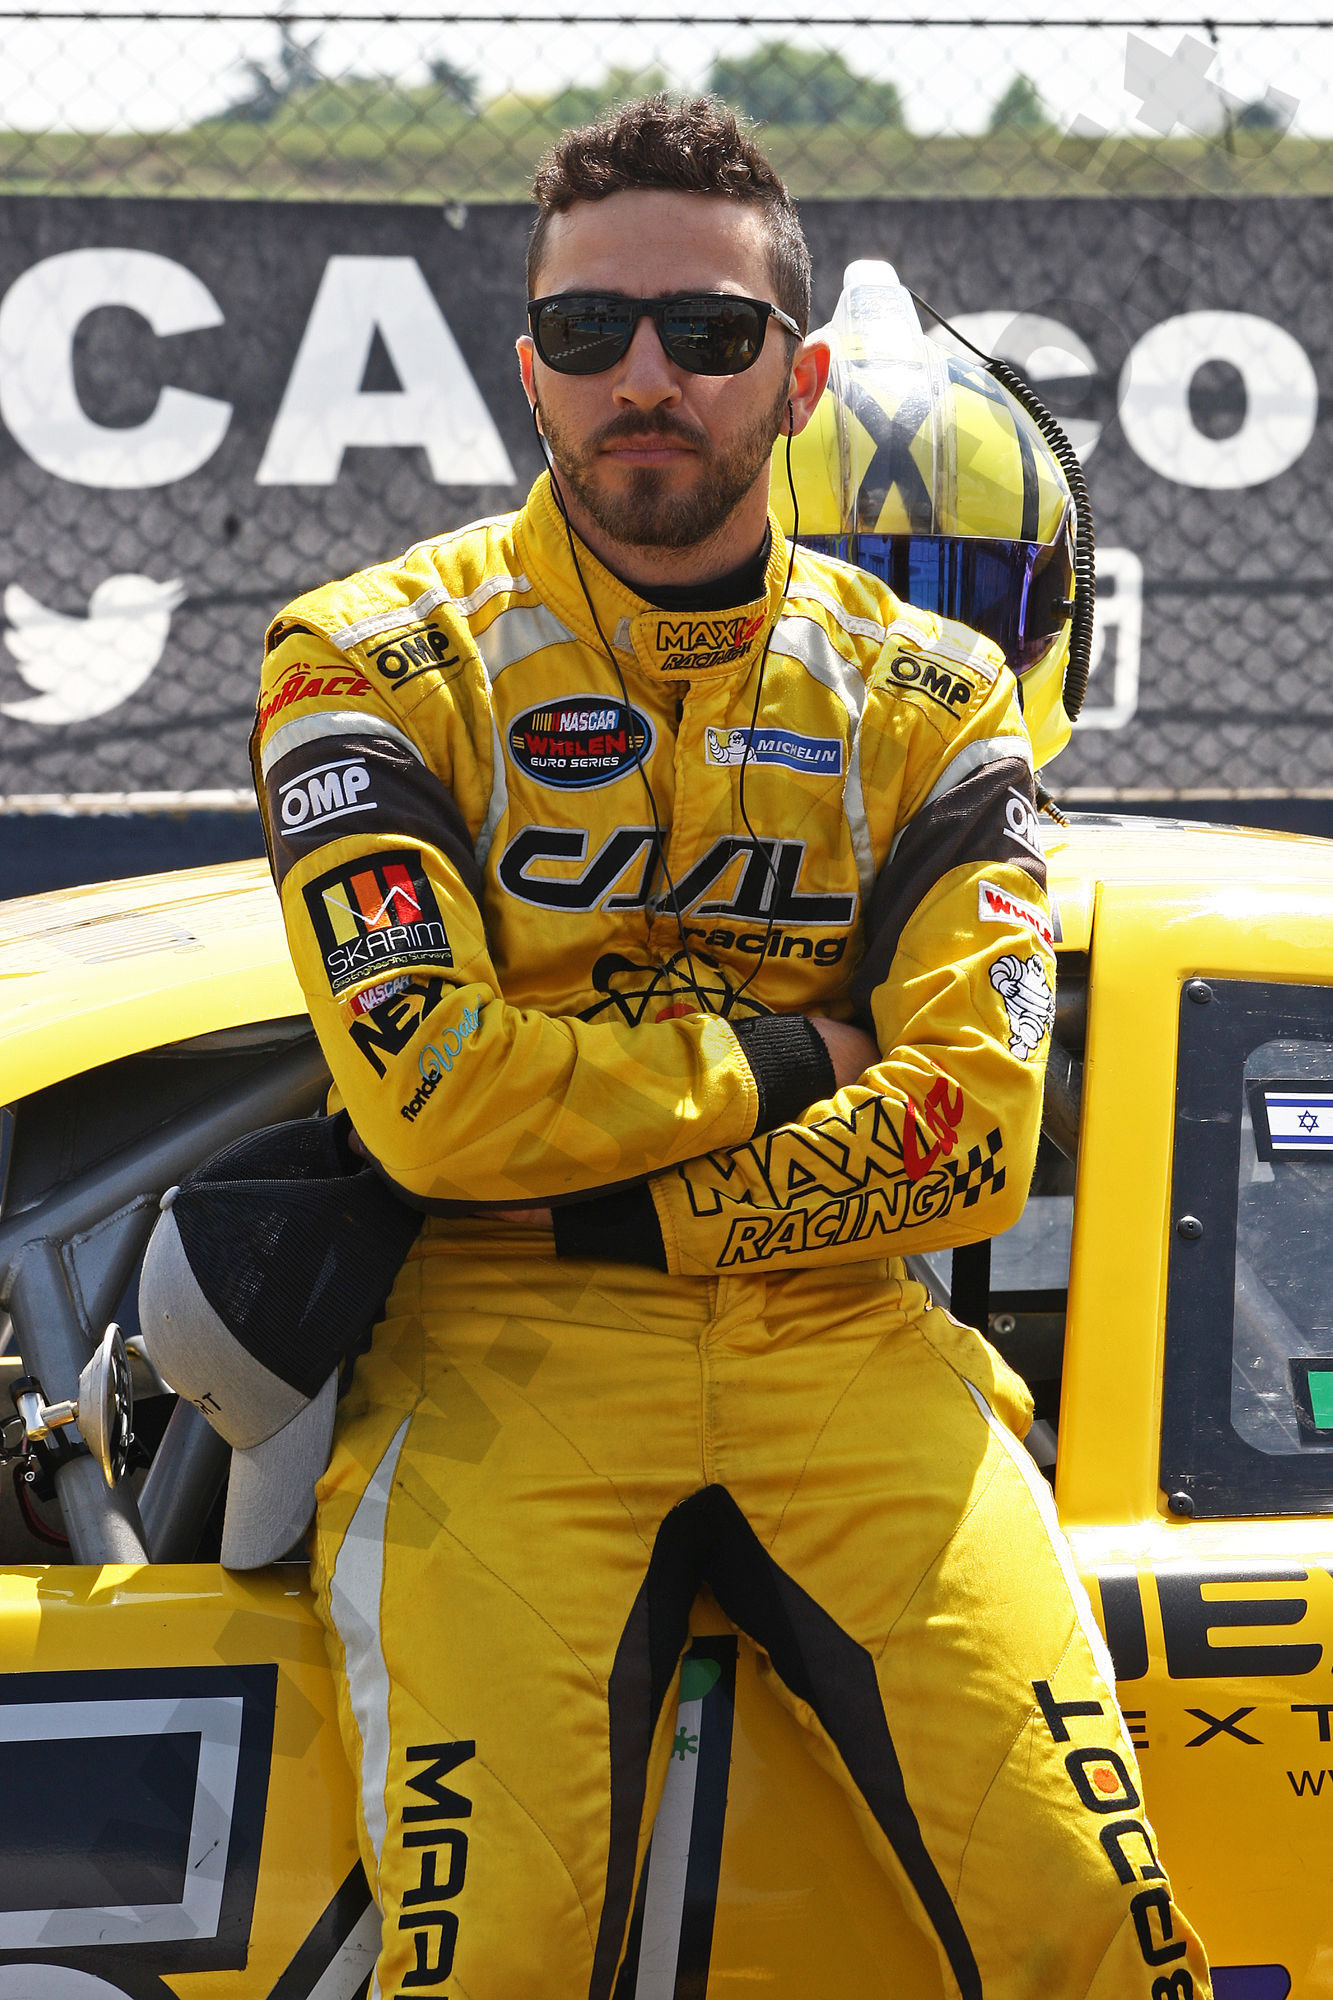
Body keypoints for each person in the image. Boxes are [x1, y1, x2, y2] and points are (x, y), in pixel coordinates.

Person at [247, 94, 1211, 2000]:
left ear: (797, 376)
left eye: (706, 332)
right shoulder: (366, 660)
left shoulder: (931, 699)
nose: (646, 378)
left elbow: (970, 1130)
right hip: (496, 1372)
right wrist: (790, 1058)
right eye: (590, 330)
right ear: (529, 365)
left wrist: (606, 1203)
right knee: (488, 1966)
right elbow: (433, 1102)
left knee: (1102, 1935)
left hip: (839, 1348)